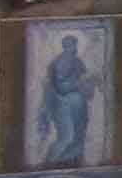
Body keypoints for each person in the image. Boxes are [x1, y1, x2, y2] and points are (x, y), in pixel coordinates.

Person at [30, 27, 98, 166]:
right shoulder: (58, 63)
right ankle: (50, 163)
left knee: (79, 135)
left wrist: (90, 82)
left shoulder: (78, 62)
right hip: (62, 105)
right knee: (67, 136)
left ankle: (74, 163)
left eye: (75, 45)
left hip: (79, 105)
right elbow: (61, 88)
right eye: (71, 45)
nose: (73, 48)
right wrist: (79, 84)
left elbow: (84, 83)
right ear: (65, 46)